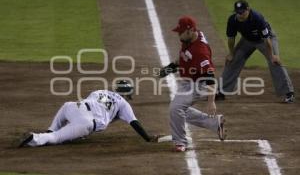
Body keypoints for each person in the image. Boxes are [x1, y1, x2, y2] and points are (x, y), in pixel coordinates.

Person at [19, 80, 160, 147]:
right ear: (126, 95)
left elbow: (100, 110)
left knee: (66, 106)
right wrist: (147, 138)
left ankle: (51, 128)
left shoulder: (100, 91)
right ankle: (35, 138)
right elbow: (134, 123)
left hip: (75, 107)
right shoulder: (123, 103)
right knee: (56, 138)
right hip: (85, 122)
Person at [159, 16, 226, 152]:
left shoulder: (201, 52)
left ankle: (180, 142)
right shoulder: (190, 38)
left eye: (181, 32)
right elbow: (185, 55)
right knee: (179, 109)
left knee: (175, 109)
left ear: (190, 31)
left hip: (199, 83)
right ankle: (214, 123)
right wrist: (169, 68)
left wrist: (211, 101)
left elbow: (210, 77)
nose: (179, 35)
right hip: (189, 81)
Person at [216, 0, 294, 103]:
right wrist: (231, 53)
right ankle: (221, 91)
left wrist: (272, 55)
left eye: (242, 12)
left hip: (265, 40)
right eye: (237, 12)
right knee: (233, 60)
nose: (239, 15)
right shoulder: (233, 20)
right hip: (247, 40)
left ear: (248, 9)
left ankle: (289, 93)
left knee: (274, 61)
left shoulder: (257, 18)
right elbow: (231, 39)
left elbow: (267, 39)